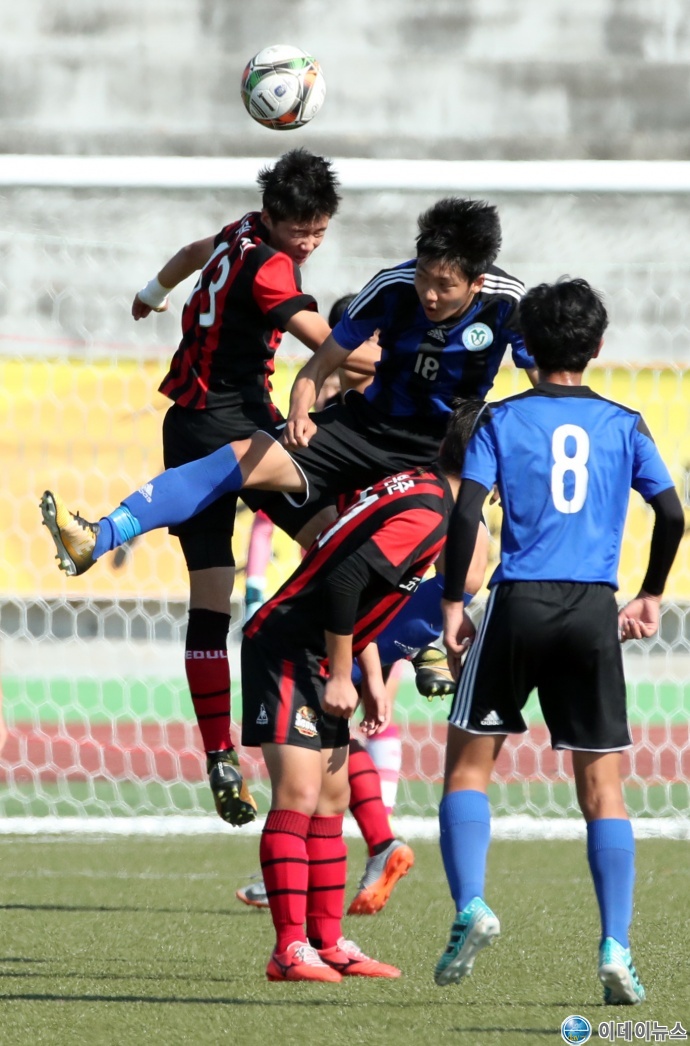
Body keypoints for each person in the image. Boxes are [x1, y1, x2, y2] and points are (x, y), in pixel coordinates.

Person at [40, 196, 528, 805]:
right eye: (425, 276)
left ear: (476, 281)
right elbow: (325, 357)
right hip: (364, 432)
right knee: (245, 460)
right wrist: (301, 400)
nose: (428, 293)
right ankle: (101, 535)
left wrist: (504, 457)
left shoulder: (510, 303)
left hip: (437, 454)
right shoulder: (393, 284)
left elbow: (542, 391)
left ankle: (388, 648)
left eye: (444, 286)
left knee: (469, 567)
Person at [59, 149, 373, 830]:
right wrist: (400, 364)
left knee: (208, 601)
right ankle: (364, 669)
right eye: (300, 232)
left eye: (320, 231)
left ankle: (219, 758)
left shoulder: (239, 233)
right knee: (338, 540)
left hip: (187, 422)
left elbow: (188, 253)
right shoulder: (271, 267)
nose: (309, 243)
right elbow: (327, 345)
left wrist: (151, 292)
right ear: (274, 218)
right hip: (242, 425)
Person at [435, 278, 684, 1004]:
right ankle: (616, 945)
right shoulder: (625, 423)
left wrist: (452, 603)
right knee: (603, 789)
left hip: (518, 601)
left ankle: (471, 905)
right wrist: (650, 593)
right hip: (592, 610)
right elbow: (672, 515)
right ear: (597, 346)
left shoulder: (501, 419)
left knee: (467, 771)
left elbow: (467, 515)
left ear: (527, 348)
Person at [240, 400, 480, 982]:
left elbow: (358, 581)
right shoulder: (429, 511)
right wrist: (344, 671)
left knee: (331, 798)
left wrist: (368, 672)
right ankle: (288, 949)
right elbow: (345, 579)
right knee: (299, 794)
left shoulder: (426, 493)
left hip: (321, 650)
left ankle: (327, 943)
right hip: (288, 647)